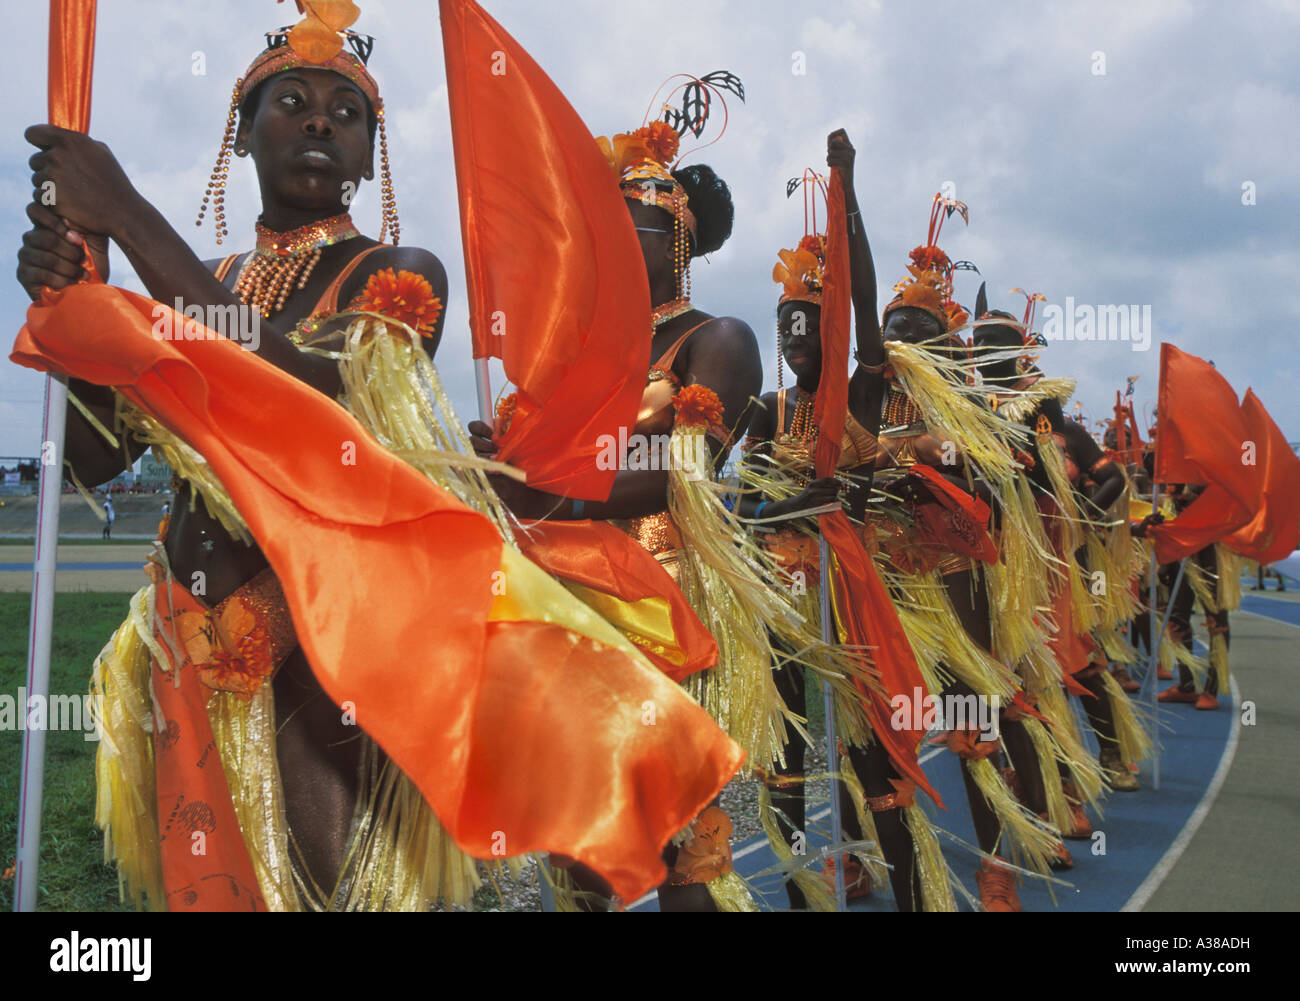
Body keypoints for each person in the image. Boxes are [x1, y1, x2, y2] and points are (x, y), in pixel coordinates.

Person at [738, 131, 948, 911]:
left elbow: (863, 303)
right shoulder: (765, 411)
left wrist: (846, 186)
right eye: (785, 320)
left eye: (808, 321)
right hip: (782, 607)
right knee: (788, 758)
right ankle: (803, 895)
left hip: (849, 597)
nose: (796, 335)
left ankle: (915, 896)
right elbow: (746, 509)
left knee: (870, 758)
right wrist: (782, 510)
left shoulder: (856, 397)